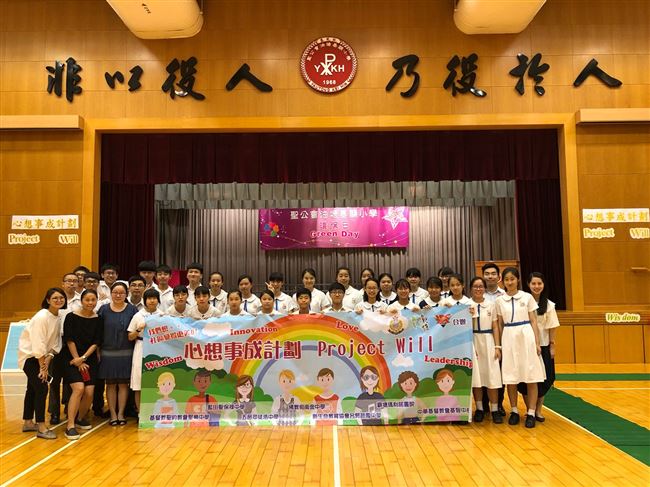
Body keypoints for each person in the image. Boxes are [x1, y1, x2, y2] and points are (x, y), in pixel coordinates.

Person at [494, 267, 545, 429]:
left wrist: (537, 342)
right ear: (503, 281)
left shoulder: (527, 297)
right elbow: (499, 324)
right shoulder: (499, 301)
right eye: (507, 279)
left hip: (526, 336)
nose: (510, 282)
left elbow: (534, 321)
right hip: (508, 336)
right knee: (511, 377)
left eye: (512, 279)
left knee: (531, 375)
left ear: (518, 280)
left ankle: (531, 413)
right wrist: (499, 345)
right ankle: (514, 411)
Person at [18, 288, 66, 439]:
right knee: (41, 388)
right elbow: (38, 343)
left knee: (32, 389)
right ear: (48, 300)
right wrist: (43, 367)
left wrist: (49, 357)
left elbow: (55, 342)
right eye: (55, 298)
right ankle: (41, 426)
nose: (59, 300)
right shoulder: (42, 316)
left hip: (43, 357)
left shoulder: (57, 316)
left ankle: (27, 422)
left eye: (61, 298)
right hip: (31, 357)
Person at [62, 289, 103, 440]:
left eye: (93, 300)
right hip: (71, 358)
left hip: (89, 358)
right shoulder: (71, 317)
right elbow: (69, 339)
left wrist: (84, 357)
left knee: (89, 392)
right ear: (82, 301)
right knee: (79, 388)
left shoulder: (99, 319)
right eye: (87, 300)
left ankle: (79, 418)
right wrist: (77, 359)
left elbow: (96, 342)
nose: (90, 303)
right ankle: (70, 425)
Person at [519, 272, 560, 422]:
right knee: (525, 379)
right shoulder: (522, 302)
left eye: (539, 283)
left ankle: (538, 410)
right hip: (525, 346)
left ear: (543, 285)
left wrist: (552, 345)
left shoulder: (549, 305)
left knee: (546, 378)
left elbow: (552, 326)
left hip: (542, 346)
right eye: (533, 283)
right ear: (528, 285)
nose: (536, 286)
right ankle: (529, 410)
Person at [98, 282, 138, 426]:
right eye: (115, 292)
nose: (118, 295)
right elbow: (98, 332)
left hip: (126, 352)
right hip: (107, 353)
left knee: (123, 384)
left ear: (126, 294)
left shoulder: (132, 310)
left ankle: (121, 413)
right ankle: (112, 414)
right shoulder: (103, 310)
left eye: (121, 293)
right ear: (111, 293)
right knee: (110, 384)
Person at [468, 277, 503, 424]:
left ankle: (494, 409)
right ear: (471, 288)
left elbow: (495, 326)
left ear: (484, 288)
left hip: (488, 341)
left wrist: (497, 346)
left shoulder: (491, 305)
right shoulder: (466, 305)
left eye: (480, 286)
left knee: (492, 377)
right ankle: (480, 409)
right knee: (477, 378)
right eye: (475, 286)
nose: (478, 289)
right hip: (473, 340)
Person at [48, 273, 80, 424]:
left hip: (70, 345)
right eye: (68, 281)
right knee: (54, 381)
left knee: (70, 380)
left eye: (75, 281)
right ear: (63, 283)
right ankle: (54, 412)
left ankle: (69, 408)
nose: (72, 283)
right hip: (54, 345)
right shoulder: (56, 301)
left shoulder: (80, 301)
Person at [127, 288, 162, 414]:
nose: (152, 301)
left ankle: (156, 413)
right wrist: (138, 330)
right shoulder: (138, 315)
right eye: (149, 298)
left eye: (154, 298)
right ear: (144, 300)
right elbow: (130, 337)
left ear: (158, 300)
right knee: (139, 382)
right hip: (141, 346)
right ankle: (141, 414)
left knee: (158, 382)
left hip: (158, 348)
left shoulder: (162, 316)